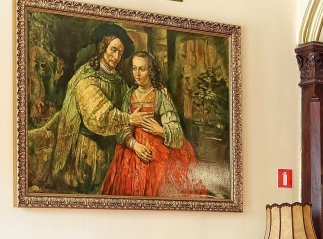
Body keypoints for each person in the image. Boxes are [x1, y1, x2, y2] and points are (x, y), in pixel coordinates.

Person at [49, 23, 152, 194]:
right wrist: (128, 119)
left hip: (112, 150)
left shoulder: (119, 82)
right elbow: (100, 116)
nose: (116, 56)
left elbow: (130, 111)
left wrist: (133, 143)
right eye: (113, 49)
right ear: (103, 47)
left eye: (120, 52)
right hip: (88, 151)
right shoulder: (86, 78)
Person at [101, 51, 207, 197]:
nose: (137, 74)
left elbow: (176, 132)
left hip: (156, 153)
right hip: (132, 151)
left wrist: (160, 130)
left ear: (150, 71)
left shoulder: (160, 95)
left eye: (142, 69)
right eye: (134, 68)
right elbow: (121, 127)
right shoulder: (128, 96)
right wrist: (134, 145)